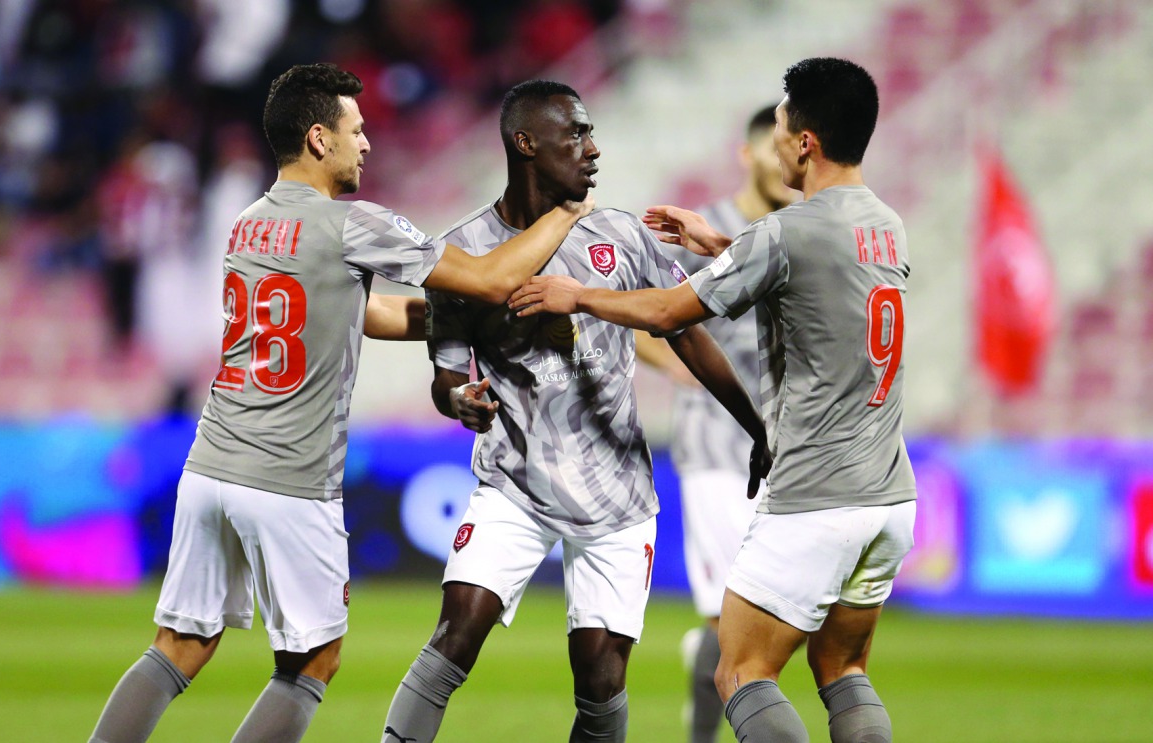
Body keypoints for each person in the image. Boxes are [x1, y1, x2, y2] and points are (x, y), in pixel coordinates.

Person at [87, 63, 593, 743]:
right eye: (357, 131)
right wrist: (565, 210)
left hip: (210, 464)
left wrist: (454, 322)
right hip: (290, 478)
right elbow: (490, 276)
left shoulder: (247, 225)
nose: (369, 145)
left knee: (178, 643)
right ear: (320, 138)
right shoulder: (352, 224)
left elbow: (363, 310)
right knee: (311, 661)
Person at [509, 57, 916, 743]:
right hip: (889, 497)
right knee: (843, 667)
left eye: (783, 127)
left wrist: (575, 293)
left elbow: (670, 310)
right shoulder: (886, 226)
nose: (778, 140)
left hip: (814, 495)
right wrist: (721, 244)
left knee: (741, 671)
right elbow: (811, 272)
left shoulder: (789, 229)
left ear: (805, 142)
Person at [380, 79, 765, 743]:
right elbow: (446, 373)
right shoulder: (464, 250)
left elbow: (688, 334)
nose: (593, 148)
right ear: (526, 143)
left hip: (615, 488)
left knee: (600, 679)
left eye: (591, 132)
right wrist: (459, 400)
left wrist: (758, 427)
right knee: (457, 629)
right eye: (576, 134)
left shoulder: (621, 234)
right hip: (515, 480)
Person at [662, 104, 795, 743]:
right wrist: (685, 367)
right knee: (731, 616)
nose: (780, 159)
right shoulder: (706, 228)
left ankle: (713, 684)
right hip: (717, 447)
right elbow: (646, 313)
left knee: (776, 621)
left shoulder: (799, 231)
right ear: (748, 154)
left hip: (789, 449)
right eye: (769, 148)